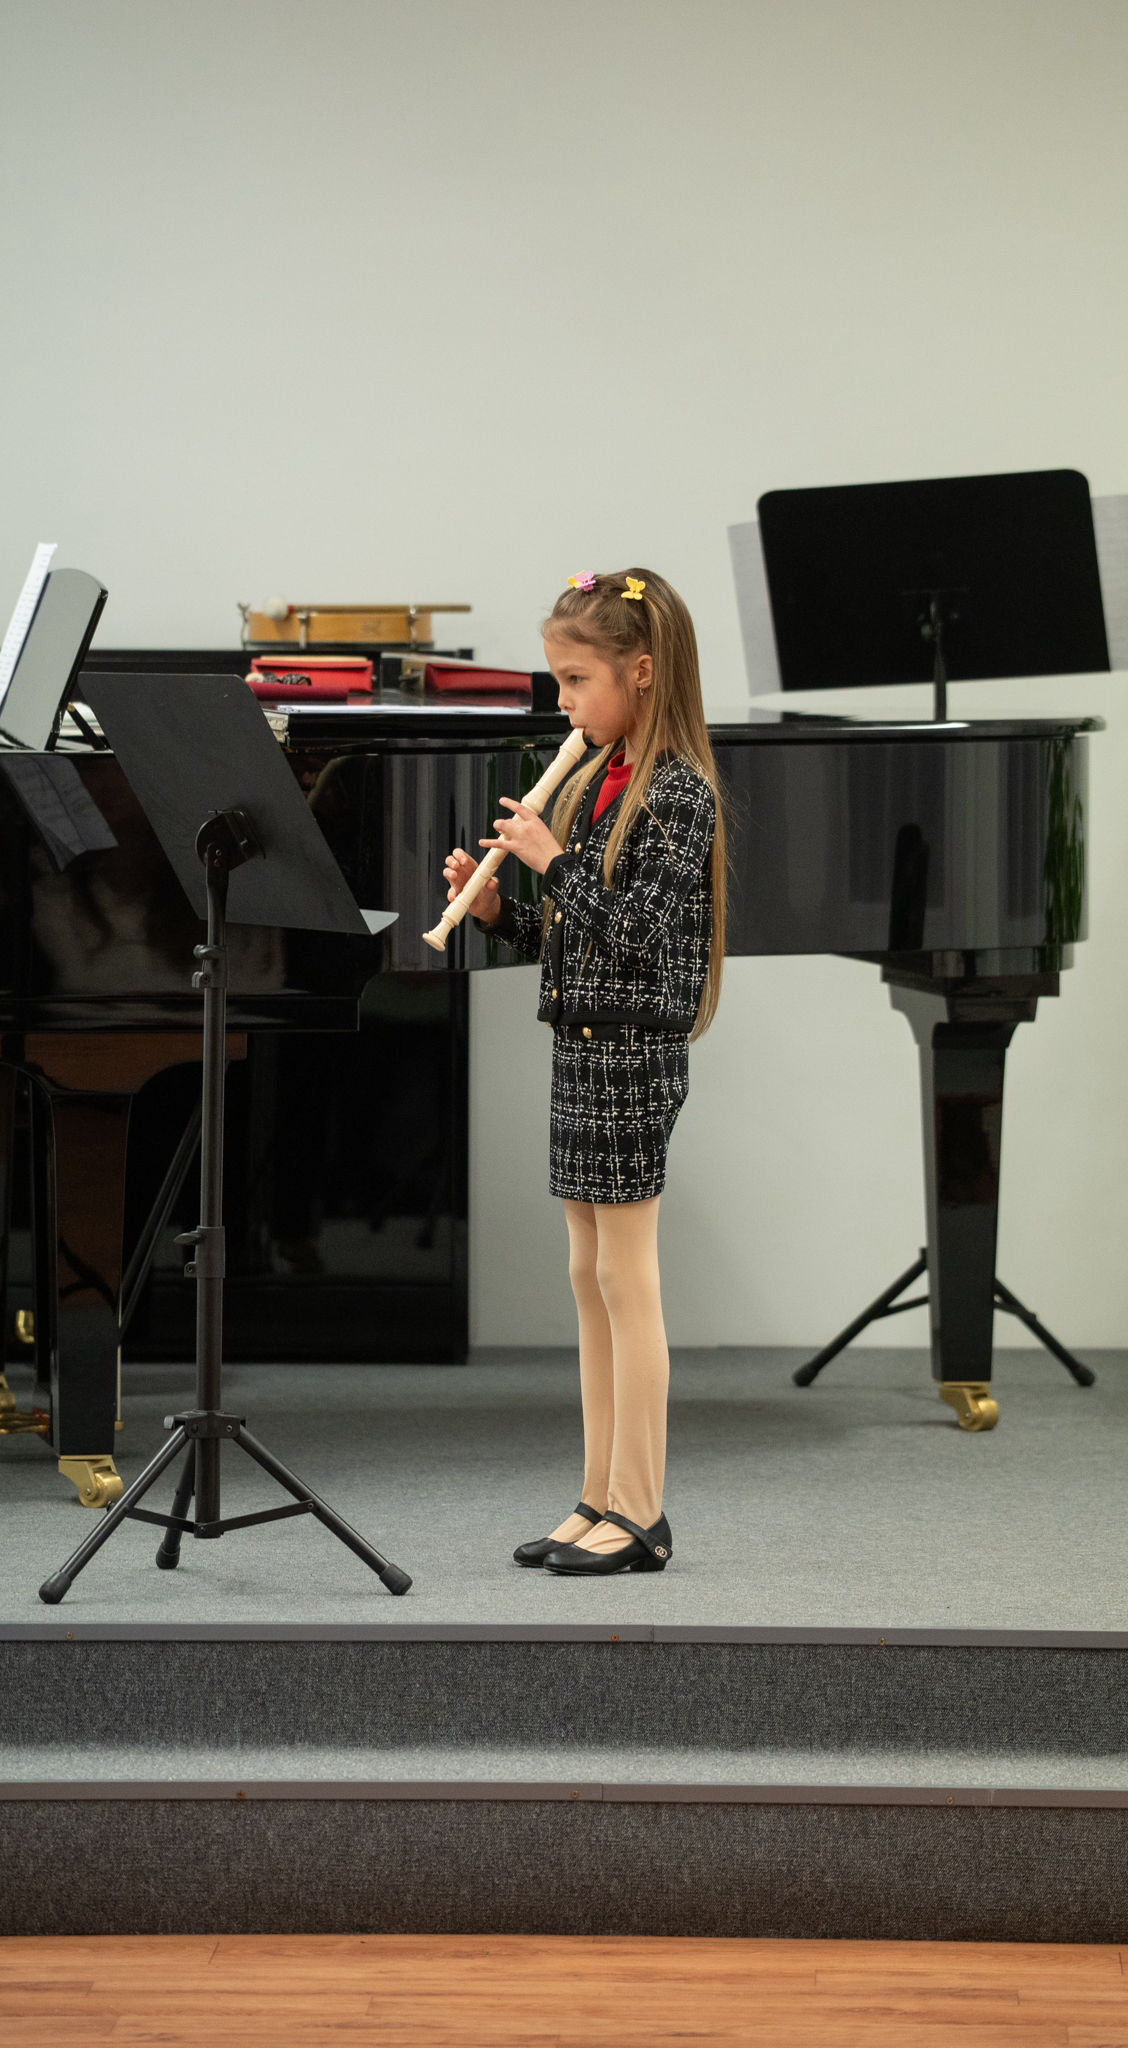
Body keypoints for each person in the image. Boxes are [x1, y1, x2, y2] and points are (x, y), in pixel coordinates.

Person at [444, 568, 725, 1576]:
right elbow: (579, 938)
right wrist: (497, 912)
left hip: (636, 1049)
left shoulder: (679, 792)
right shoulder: (598, 776)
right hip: (583, 1042)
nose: (563, 702)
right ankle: (596, 1492)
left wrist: (549, 859)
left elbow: (640, 933)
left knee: (626, 1277)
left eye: (576, 680)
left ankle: (641, 1511)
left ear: (640, 672)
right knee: (588, 1274)